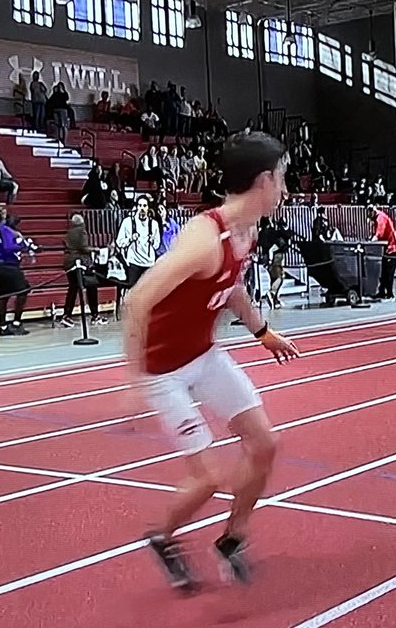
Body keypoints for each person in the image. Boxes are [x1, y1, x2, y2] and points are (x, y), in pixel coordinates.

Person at [123, 132, 300, 592]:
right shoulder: (204, 239)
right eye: (282, 179)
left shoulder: (248, 231)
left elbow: (233, 284)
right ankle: (162, 537)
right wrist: (132, 378)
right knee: (207, 480)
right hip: (165, 373)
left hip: (204, 356)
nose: (286, 190)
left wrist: (261, 332)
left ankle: (232, 538)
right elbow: (138, 299)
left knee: (264, 444)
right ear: (263, 181)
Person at [0, 205, 35, 336]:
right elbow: (8, 247)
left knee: (3, 294)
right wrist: (23, 245)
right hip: (8, 265)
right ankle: (16, 322)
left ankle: (2, 326)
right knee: (23, 290)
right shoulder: (2, 229)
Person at [367, 204, 396, 301]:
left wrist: (371, 241)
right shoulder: (377, 218)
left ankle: (389, 293)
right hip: (386, 247)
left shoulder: (380, 218)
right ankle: (382, 291)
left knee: (389, 272)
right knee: (383, 271)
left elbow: (379, 233)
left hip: (392, 247)